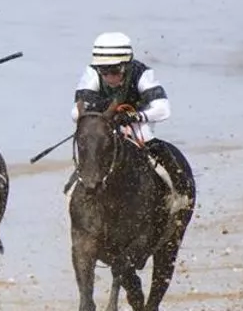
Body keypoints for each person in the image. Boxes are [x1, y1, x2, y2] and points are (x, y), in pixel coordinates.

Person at [72, 32, 193, 201]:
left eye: (114, 71)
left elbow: (163, 109)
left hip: (137, 124)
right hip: (105, 123)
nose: (109, 77)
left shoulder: (142, 74)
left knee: (147, 136)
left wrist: (136, 116)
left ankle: (179, 191)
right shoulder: (92, 73)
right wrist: (102, 114)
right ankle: (72, 192)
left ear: (126, 65)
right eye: (103, 71)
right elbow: (76, 112)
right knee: (91, 144)